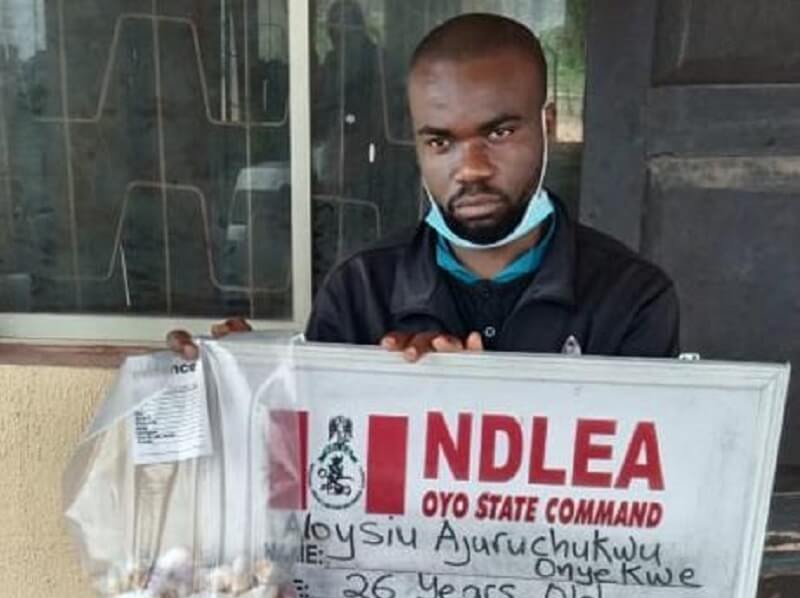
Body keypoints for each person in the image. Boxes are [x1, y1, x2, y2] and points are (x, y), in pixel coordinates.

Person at [170, 13, 678, 361]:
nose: (470, 168)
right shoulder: (360, 293)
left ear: (548, 127)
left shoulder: (630, 298)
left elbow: (644, 473)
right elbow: (309, 462)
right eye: (440, 142)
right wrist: (245, 385)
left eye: (499, 133)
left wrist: (485, 403)